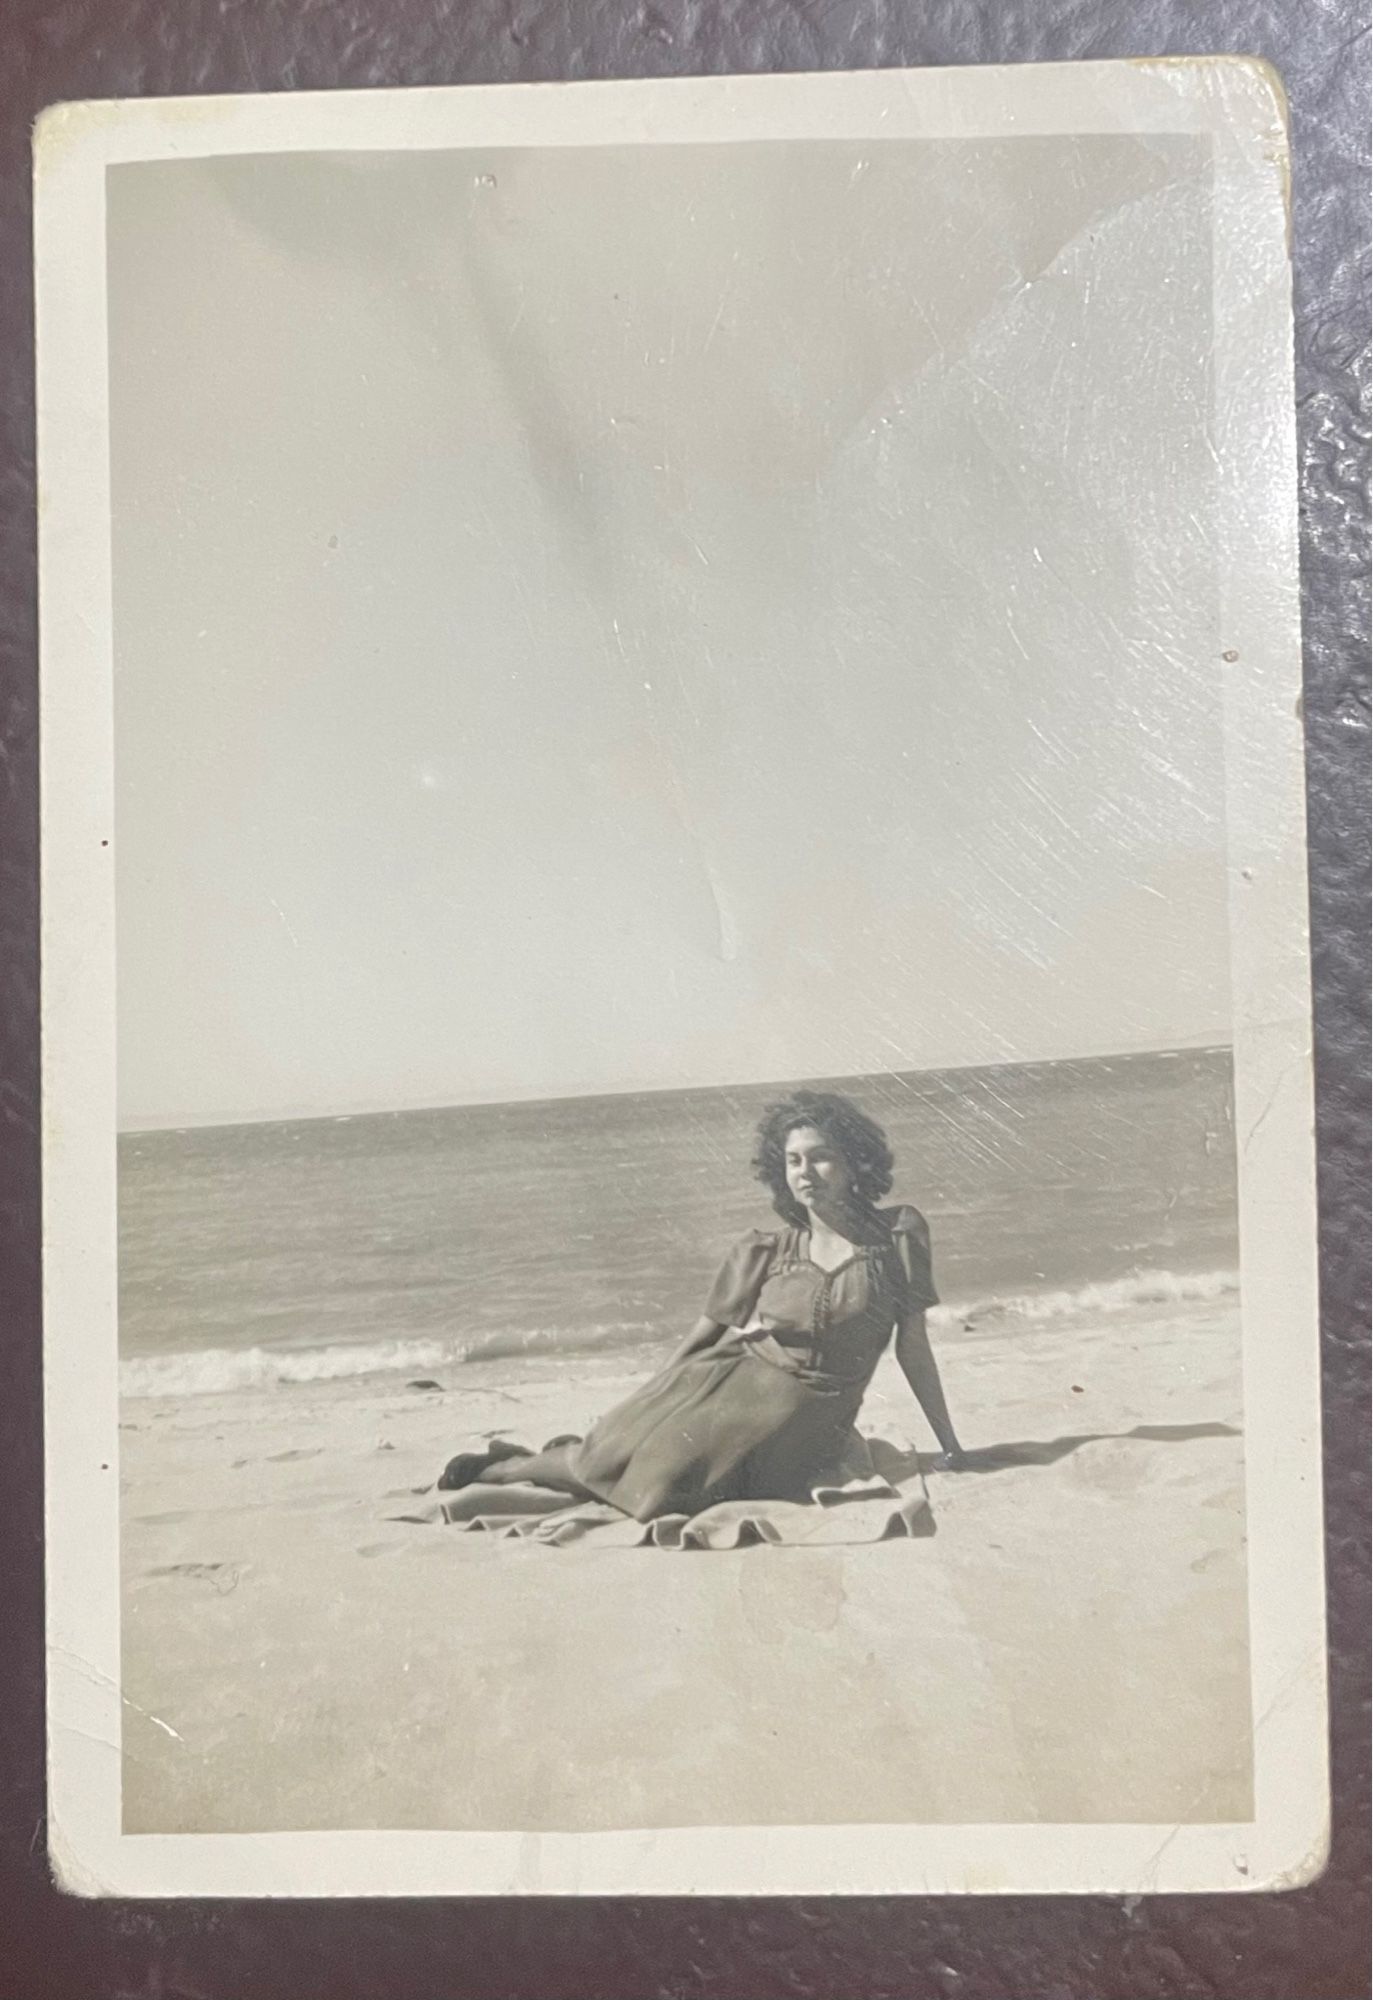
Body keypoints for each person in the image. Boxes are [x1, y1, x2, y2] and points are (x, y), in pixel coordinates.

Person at [437, 1089, 966, 1525]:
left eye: (822, 1156)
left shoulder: (898, 1233)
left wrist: (950, 1445)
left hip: (813, 1418)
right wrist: (644, 1400)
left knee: (662, 1494)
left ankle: (551, 1460)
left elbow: (912, 1344)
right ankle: (506, 1469)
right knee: (614, 1463)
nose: (806, 1172)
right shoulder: (765, 1248)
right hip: (728, 1383)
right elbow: (704, 1335)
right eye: (793, 1160)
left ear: (855, 1161)